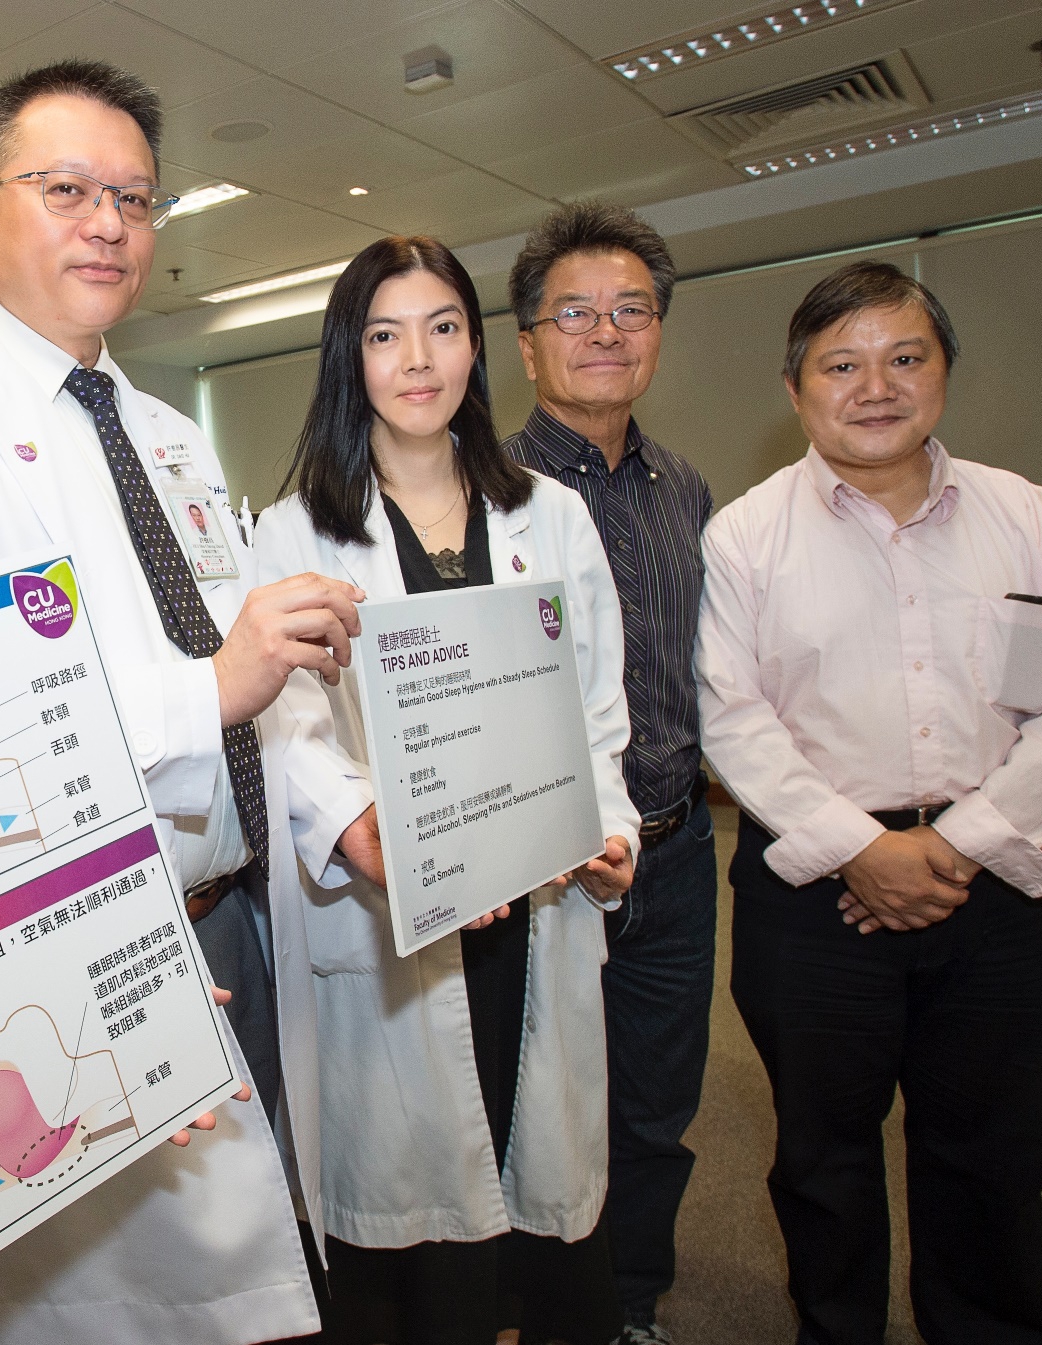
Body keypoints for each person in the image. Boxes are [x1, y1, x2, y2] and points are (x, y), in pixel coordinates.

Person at [0, 58, 371, 1344]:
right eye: (66, 188)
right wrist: (210, 686)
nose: (108, 224)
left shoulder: (166, 431)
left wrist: (342, 814)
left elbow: (261, 688)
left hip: (234, 917)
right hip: (79, 941)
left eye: (135, 200)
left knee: (272, 1263)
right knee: (114, 1311)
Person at [698, 260, 1042, 1345]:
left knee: (992, 1158)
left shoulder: (1035, 520)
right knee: (822, 1160)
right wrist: (863, 848)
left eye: (905, 357)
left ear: (943, 372)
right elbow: (731, 714)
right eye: (840, 365)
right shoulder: (746, 538)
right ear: (797, 390)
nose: (875, 385)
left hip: (1000, 895)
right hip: (815, 905)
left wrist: (959, 845)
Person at [253, 235, 639, 1345]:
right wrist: (379, 838)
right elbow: (293, 730)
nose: (417, 359)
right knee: (422, 1259)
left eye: (442, 326)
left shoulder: (551, 516)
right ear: (350, 358)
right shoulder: (299, 532)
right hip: (395, 922)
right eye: (384, 334)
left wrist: (612, 834)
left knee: (540, 1189)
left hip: (539, 909)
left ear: (477, 345)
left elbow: (598, 709)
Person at [501, 202, 714, 1345]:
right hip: (549, 863)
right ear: (528, 346)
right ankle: (541, 1311)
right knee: (539, 1105)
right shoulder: (488, 495)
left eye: (631, 310)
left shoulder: (686, 491)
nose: (606, 331)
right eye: (574, 312)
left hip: (677, 854)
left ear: (658, 334)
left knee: (660, 1109)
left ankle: (628, 1304)